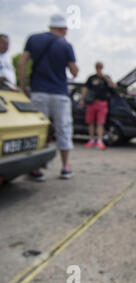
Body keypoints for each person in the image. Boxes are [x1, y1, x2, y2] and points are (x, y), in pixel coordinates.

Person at [18, 14, 79, 181]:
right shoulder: (65, 45)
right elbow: (74, 71)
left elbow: (22, 63)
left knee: (40, 130)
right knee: (63, 129)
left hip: (38, 91)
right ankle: (65, 166)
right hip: (60, 93)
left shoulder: (33, 39)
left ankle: (36, 169)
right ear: (62, 29)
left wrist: (23, 87)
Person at [79, 62, 116, 150]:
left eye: (100, 67)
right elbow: (85, 88)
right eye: (97, 67)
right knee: (90, 122)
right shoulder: (91, 78)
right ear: (95, 67)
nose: (98, 68)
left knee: (100, 123)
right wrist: (82, 99)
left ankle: (100, 140)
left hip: (102, 103)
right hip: (91, 103)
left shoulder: (106, 78)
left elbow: (114, 86)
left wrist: (105, 78)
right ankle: (91, 139)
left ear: (102, 67)